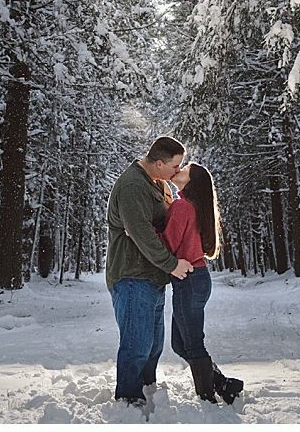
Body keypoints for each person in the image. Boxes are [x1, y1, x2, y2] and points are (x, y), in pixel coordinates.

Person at [105, 136, 194, 406]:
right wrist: (171, 265)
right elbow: (141, 233)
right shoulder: (133, 186)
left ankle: (146, 389)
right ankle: (128, 400)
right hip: (133, 276)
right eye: (175, 166)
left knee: (154, 344)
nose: (177, 171)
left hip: (151, 277)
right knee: (137, 343)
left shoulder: (156, 183)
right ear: (157, 163)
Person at [163, 162, 244, 405]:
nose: (179, 170)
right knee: (180, 344)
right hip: (198, 279)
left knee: (193, 344)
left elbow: (168, 243)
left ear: (191, 181)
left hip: (189, 281)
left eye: (185, 169)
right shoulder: (194, 207)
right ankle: (224, 384)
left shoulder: (182, 207)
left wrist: (137, 232)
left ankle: (208, 398)